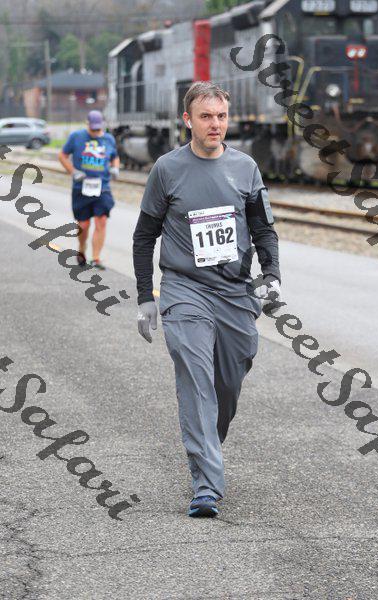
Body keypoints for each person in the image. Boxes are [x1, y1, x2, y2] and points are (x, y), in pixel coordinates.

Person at [133, 82, 281, 518]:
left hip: (235, 292)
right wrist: (145, 296)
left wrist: (272, 274)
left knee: (227, 385)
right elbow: (144, 236)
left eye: (221, 116)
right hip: (185, 290)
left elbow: (263, 228)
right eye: (205, 116)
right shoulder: (167, 169)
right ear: (187, 120)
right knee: (196, 378)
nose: (215, 124)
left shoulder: (245, 168)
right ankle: (206, 486)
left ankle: (208, 446)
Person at [59, 110, 120, 269]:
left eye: (98, 129)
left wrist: (115, 168)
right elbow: (62, 155)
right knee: (83, 225)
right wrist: (73, 172)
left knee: (101, 221)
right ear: (87, 124)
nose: (95, 132)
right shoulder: (76, 137)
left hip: (102, 187)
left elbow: (114, 157)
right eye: (93, 129)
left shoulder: (109, 139)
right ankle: (81, 248)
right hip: (81, 188)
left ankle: (96, 258)